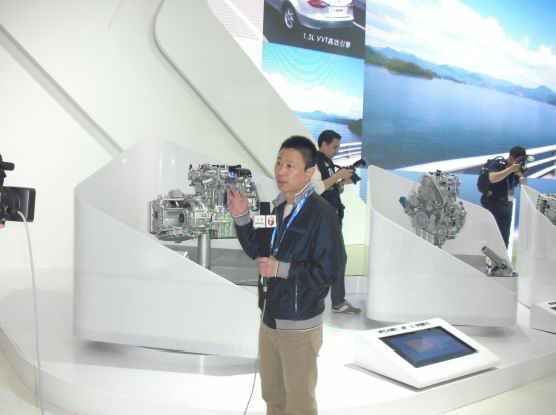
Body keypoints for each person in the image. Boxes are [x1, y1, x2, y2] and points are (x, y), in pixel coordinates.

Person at [228, 136, 346, 415]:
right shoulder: (275, 207)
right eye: (279, 163)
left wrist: (282, 269)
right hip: (270, 318)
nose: (280, 171)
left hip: (299, 324)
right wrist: (242, 217)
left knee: (299, 404)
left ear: (309, 172)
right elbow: (257, 247)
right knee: (273, 396)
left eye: (289, 166)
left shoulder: (322, 214)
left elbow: (330, 269)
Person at [315, 130, 361, 314]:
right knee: (338, 257)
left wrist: (343, 181)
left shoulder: (327, 162)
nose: (337, 151)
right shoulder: (314, 163)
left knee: (332, 258)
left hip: (332, 216)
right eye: (334, 147)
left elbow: (331, 189)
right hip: (323, 219)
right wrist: (337, 176)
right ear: (323, 144)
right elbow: (315, 189)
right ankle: (337, 301)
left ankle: (333, 301)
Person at [478, 145, 527, 247]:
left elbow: (524, 185)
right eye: (518, 160)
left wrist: (519, 173)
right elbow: (492, 178)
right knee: (492, 232)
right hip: (491, 202)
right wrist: (510, 169)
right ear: (511, 157)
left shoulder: (518, 168)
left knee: (505, 234)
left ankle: (503, 251)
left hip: (506, 203)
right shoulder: (498, 164)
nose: (520, 162)